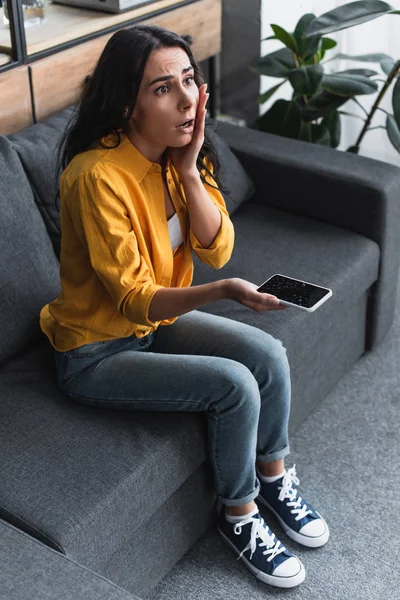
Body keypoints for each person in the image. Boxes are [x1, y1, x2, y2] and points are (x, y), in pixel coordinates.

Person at [40, 25, 329, 590]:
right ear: (127, 104)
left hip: (155, 326)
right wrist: (223, 293)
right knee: (234, 385)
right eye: (163, 89)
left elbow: (217, 246)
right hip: (97, 351)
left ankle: (274, 479)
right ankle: (239, 515)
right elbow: (134, 297)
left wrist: (192, 169)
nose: (187, 98)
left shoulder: (179, 155)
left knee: (267, 354)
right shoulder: (96, 176)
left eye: (190, 81)